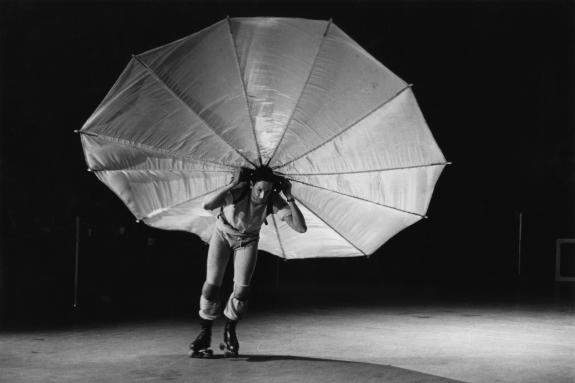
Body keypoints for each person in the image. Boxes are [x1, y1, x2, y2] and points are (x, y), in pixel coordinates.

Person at [189, 166, 307, 358]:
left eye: (267, 191)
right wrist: (233, 184)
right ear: (252, 184)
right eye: (259, 189)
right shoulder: (239, 191)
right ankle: (205, 332)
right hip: (223, 234)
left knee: (242, 290)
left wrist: (289, 196)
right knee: (211, 286)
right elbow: (207, 205)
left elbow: (301, 228)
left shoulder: (273, 200)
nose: (262, 195)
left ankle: (230, 329)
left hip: (248, 241)